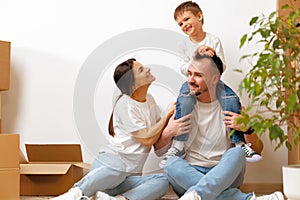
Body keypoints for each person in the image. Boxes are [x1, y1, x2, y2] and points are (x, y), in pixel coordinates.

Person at [52, 58, 192, 200]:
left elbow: (157, 145)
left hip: (127, 176)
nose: (148, 69)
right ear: (132, 83)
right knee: (119, 168)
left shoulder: (150, 100)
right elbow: (147, 139)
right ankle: (74, 194)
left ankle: (117, 199)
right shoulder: (125, 104)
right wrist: (166, 115)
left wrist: (171, 130)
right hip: (111, 165)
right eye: (141, 70)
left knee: (162, 182)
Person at [160, 53, 284, 200]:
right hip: (189, 173)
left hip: (226, 174)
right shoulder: (180, 107)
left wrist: (247, 128)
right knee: (171, 163)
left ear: (215, 79)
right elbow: (158, 149)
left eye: (198, 75)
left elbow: (257, 150)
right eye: (189, 74)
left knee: (237, 153)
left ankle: (197, 194)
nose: (190, 80)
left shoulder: (232, 106)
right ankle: (244, 199)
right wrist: (168, 132)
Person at [159, 1, 261, 167]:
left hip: (213, 82)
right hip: (192, 84)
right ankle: (179, 145)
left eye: (186, 19)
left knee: (232, 99)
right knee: (183, 100)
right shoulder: (184, 45)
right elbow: (183, 67)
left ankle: (239, 143)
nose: (184, 25)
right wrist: (196, 56)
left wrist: (212, 59)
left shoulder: (213, 40)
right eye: (180, 24)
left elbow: (222, 67)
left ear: (199, 16)